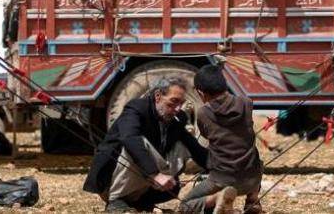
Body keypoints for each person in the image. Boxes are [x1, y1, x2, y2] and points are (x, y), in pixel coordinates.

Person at [83, 76, 208, 212]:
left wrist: (221, 167)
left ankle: (142, 201)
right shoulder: (136, 108)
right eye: (173, 102)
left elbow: (194, 147)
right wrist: (155, 174)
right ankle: (117, 200)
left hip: (146, 185)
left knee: (183, 144)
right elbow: (129, 138)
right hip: (111, 181)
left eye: (181, 103)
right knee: (137, 143)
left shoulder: (177, 118)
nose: (178, 108)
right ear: (158, 96)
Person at [179, 65, 263, 214]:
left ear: (200, 92)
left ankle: (217, 198)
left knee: (185, 205)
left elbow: (205, 134)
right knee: (252, 151)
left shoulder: (204, 113)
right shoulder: (246, 103)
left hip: (222, 180)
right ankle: (253, 200)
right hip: (253, 179)